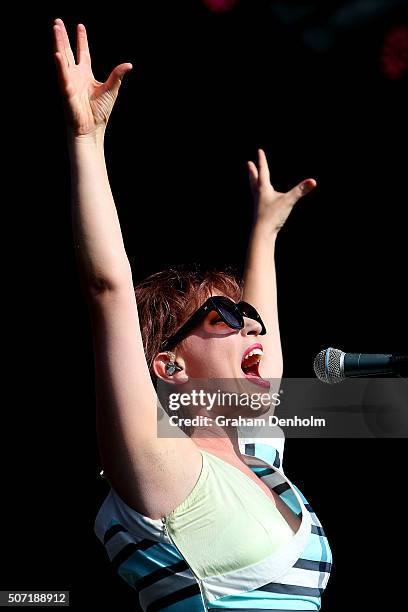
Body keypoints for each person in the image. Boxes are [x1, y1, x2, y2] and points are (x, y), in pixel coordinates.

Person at [53, 18, 333, 611]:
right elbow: (109, 290)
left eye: (248, 318)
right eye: (222, 318)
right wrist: (86, 140)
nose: (251, 326)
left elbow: (266, 345)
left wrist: (264, 235)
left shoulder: (259, 456)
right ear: (170, 366)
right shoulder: (165, 471)